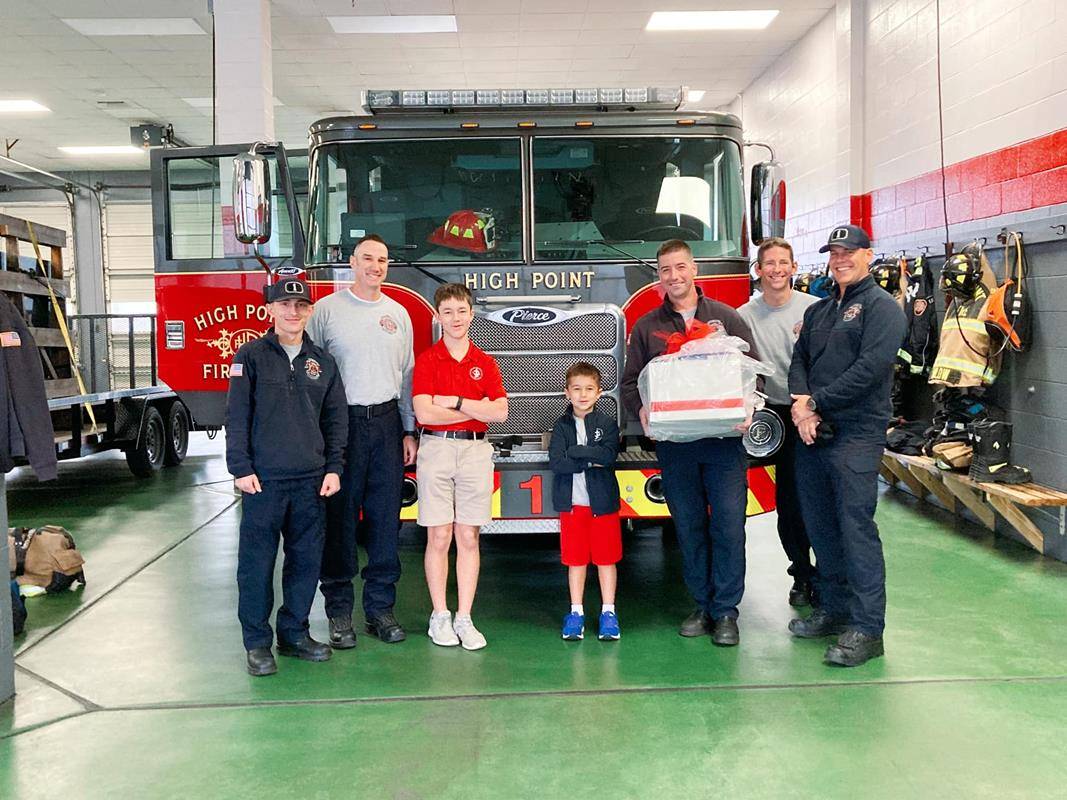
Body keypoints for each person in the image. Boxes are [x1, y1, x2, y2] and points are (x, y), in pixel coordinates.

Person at [621, 240, 760, 647]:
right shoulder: (647, 326)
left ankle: (727, 612)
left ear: (694, 269)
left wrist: (749, 406)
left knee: (729, 525)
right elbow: (631, 383)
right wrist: (642, 409)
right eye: (666, 270)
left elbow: (754, 373)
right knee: (689, 527)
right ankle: (701, 605)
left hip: (723, 443)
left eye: (680, 267)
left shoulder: (727, 318)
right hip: (676, 445)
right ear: (659, 277)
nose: (674, 276)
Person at [787, 224, 907, 667]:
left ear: (868, 255)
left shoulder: (883, 309)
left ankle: (867, 629)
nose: (841, 259)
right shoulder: (820, 312)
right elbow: (798, 359)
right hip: (812, 433)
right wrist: (802, 408)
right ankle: (835, 610)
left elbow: (869, 371)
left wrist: (814, 402)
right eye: (834, 253)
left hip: (856, 433)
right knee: (821, 527)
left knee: (855, 529)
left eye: (849, 252)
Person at [225, 275, 348, 676]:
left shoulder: (324, 363)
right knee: (257, 565)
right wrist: (240, 468)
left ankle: (294, 633)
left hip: (312, 481)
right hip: (264, 481)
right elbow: (236, 415)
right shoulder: (250, 357)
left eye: (300, 306)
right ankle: (257, 643)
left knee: (306, 562)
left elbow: (335, 420)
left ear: (310, 311)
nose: (293, 312)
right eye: (284, 305)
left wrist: (333, 468)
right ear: (270, 310)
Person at [308, 234, 417, 648]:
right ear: (351, 263)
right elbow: (310, 373)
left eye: (383, 260)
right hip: (341, 426)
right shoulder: (326, 311)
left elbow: (406, 377)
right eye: (367, 258)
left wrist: (408, 429)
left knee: (385, 520)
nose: (375, 266)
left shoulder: (399, 314)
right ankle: (338, 612)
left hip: (387, 423)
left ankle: (380, 610)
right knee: (338, 520)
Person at [412, 283, 508, 650]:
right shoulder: (427, 360)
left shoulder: (485, 362)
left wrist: (454, 401)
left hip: (475, 453)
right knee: (439, 536)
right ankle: (440, 616)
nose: (455, 318)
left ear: (471, 315)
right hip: (435, 449)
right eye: (448, 311)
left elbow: (499, 412)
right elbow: (424, 412)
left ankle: (464, 617)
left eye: (462, 311)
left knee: (468, 536)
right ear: (438, 316)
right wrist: (474, 408)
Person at [738, 237, 819, 607]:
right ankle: (800, 572)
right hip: (768, 414)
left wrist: (813, 405)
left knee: (810, 497)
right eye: (768, 263)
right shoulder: (743, 316)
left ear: (794, 267)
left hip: (810, 411)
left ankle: (825, 574)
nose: (776, 270)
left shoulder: (816, 310)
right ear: (758, 270)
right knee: (787, 501)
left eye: (783, 262)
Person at [549, 362, 622, 641]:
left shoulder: (607, 424)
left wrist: (577, 452)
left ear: (599, 393)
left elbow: (609, 456)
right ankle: (576, 612)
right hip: (572, 506)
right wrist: (588, 459)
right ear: (567, 393)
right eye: (577, 389)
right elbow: (557, 462)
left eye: (589, 389)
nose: (583, 395)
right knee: (576, 560)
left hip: (602, 505)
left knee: (606, 559)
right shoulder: (561, 425)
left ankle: (608, 612)